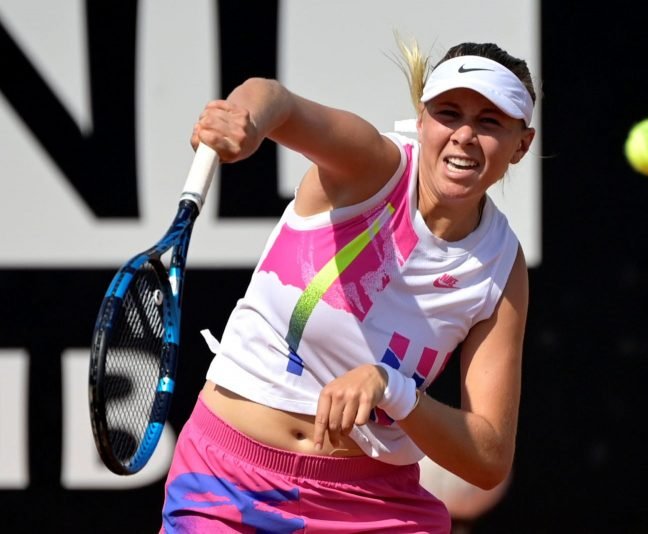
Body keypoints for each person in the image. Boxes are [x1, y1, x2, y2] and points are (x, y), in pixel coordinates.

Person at [160, 39, 536, 533]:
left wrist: (393, 389)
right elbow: (277, 100)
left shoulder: (501, 265)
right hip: (228, 484)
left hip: (373, 505)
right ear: (422, 120)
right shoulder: (372, 166)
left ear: (521, 145)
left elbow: (487, 459)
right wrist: (243, 118)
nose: (464, 135)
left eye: (489, 122)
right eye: (448, 113)